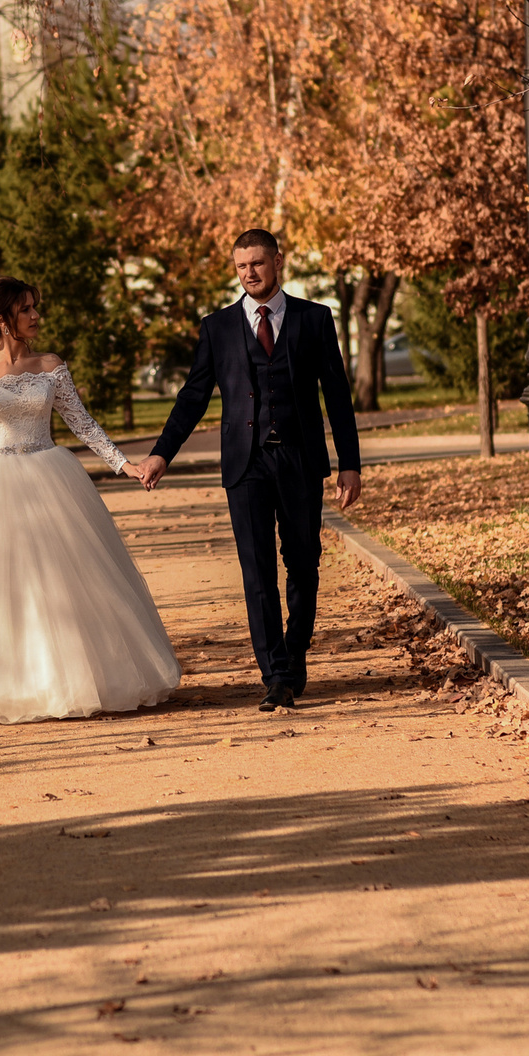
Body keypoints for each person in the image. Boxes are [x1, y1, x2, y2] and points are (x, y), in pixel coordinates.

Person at [0, 278, 182, 724]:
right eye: (25, 310)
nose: (35, 316)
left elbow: (82, 422)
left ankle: (64, 681)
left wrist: (125, 465)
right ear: (2, 320)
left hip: (51, 477)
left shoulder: (51, 365)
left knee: (60, 582)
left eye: (35, 308)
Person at [134, 229, 360, 711]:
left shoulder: (314, 319)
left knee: (303, 564)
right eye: (241, 266)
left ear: (278, 261)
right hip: (246, 464)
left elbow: (336, 396)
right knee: (256, 570)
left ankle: (295, 655)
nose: (250, 273)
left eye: (257, 263)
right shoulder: (216, 327)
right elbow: (193, 397)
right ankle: (275, 674)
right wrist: (161, 453)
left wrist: (350, 465)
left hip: (299, 461)